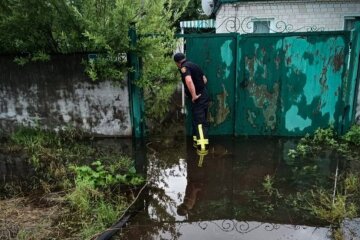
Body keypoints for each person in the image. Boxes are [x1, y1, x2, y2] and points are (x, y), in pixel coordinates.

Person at [173, 52, 209, 152]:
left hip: (198, 98)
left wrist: (193, 95)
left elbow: (188, 80)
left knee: (200, 122)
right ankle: (196, 143)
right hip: (203, 95)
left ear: (177, 63)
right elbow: (204, 80)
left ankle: (202, 148)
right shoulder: (194, 65)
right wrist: (190, 91)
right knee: (197, 120)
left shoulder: (184, 67)